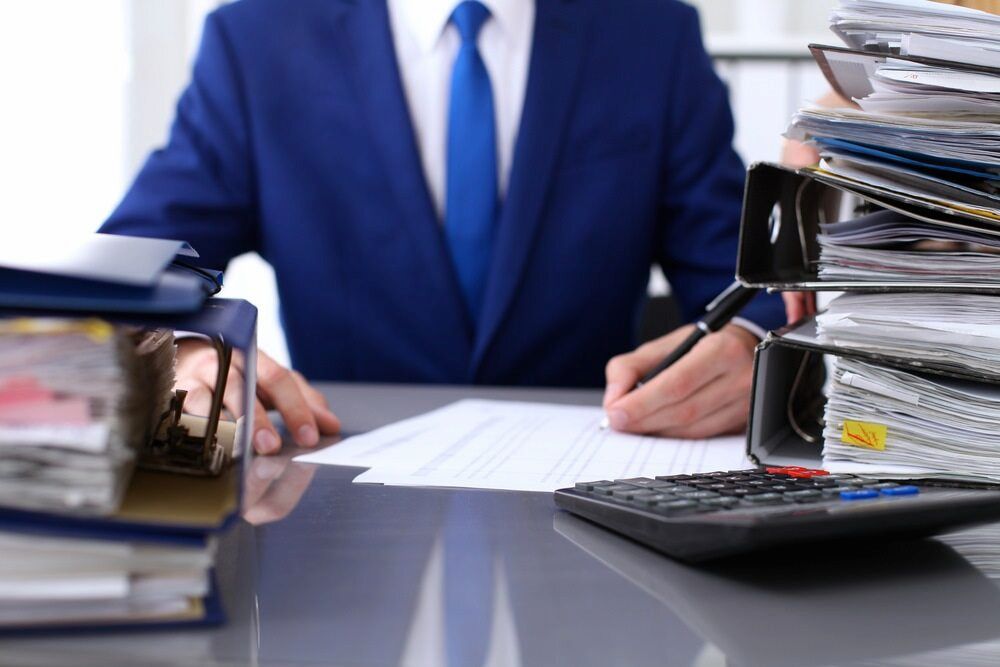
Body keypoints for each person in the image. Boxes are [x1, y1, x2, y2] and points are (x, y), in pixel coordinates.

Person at [102, 0, 786, 455]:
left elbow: (748, 279)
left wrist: (753, 348)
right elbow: (135, 263)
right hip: (336, 495)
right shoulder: (259, 39)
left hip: (585, 508)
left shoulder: (650, 35)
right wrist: (189, 352)